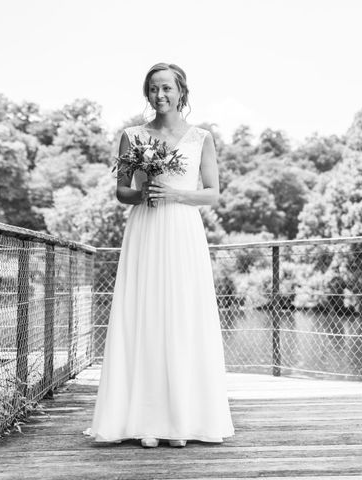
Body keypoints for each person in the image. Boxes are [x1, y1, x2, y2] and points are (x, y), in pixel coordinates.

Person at [85, 63, 235, 448]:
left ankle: (183, 420)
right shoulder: (132, 136)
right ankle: (145, 420)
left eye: (167, 88)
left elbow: (213, 192)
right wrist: (144, 192)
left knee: (183, 316)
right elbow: (121, 191)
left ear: (181, 91)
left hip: (183, 233)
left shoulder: (202, 137)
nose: (160, 95)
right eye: (153, 89)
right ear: (147, 93)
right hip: (146, 230)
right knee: (145, 315)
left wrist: (176, 195)